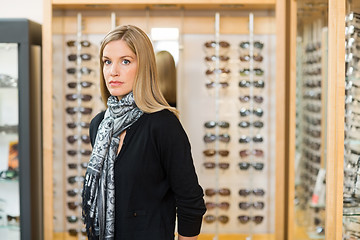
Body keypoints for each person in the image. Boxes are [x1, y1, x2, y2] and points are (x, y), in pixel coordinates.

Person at [82, 25, 206, 240]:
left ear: (144, 67)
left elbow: (190, 201)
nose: (113, 71)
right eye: (107, 61)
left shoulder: (163, 125)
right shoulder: (99, 125)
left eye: (126, 61)